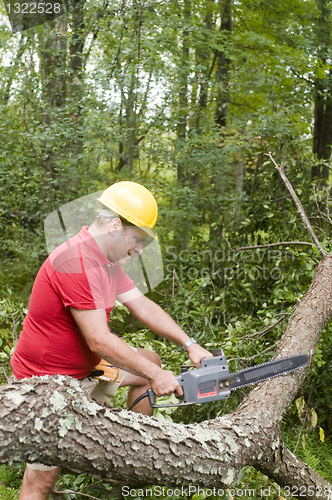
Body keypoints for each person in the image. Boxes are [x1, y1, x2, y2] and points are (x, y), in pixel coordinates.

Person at [10, 181, 212, 500]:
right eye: (137, 240)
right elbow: (99, 341)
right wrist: (158, 377)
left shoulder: (105, 263)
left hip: (86, 370)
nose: (139, 249)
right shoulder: (75, 262)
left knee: (151, 361)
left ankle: (125, 461)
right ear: (116, 226)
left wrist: (190, 344)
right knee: (41, 483)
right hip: (45, 384)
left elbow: (143, 305)